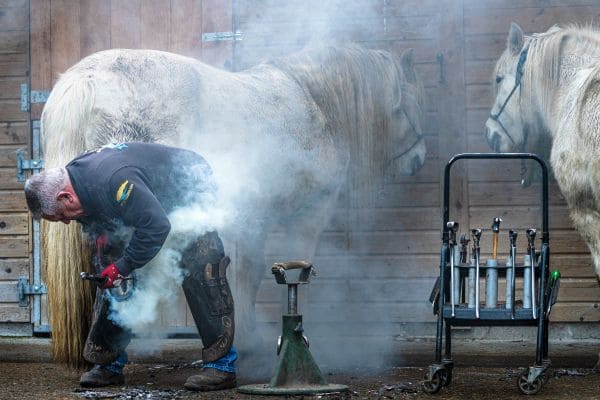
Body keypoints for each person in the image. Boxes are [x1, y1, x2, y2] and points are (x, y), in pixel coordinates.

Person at [24, 142, 237, 391]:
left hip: (188, 189)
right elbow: (99, 216)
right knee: (112, 278)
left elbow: (157, 226)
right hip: (147, 203)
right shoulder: (76, 178)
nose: (66, 222)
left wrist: (121, 266)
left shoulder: (115, 182)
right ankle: (108, 364)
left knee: (202, 266)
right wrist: (108, 254)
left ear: (65, 196)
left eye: (61, 216)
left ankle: (222, 366)